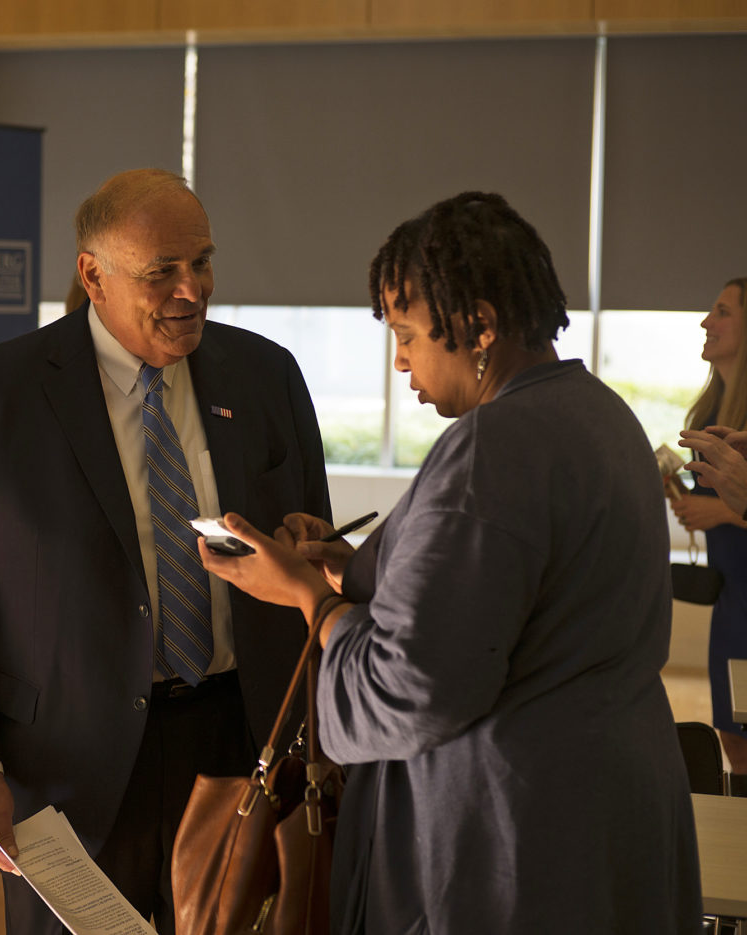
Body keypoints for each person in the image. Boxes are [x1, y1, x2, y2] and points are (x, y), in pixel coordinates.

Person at [199, 192, 700, 934]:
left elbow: (413, 688)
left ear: (481, 325)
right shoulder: (601, 414)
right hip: (612, 808)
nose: (398, 358)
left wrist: (310, 597)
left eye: (405, 332)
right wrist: (354, 566)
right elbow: (510, 594)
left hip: (511, 837)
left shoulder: (490, 448)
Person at [0, 168, 331, 934]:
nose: (191, 290)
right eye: (161, 272)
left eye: (201, 262)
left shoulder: (266, 375)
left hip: (246, 739)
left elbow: (315, 555)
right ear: (92, 275)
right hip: (68, 765)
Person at [672, 277, 747, 787]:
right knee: (734, 739)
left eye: (721, 311)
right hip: (730, 597)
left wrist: (722, 514)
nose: (706, 322)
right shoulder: (710, 413)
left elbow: (729, 507)